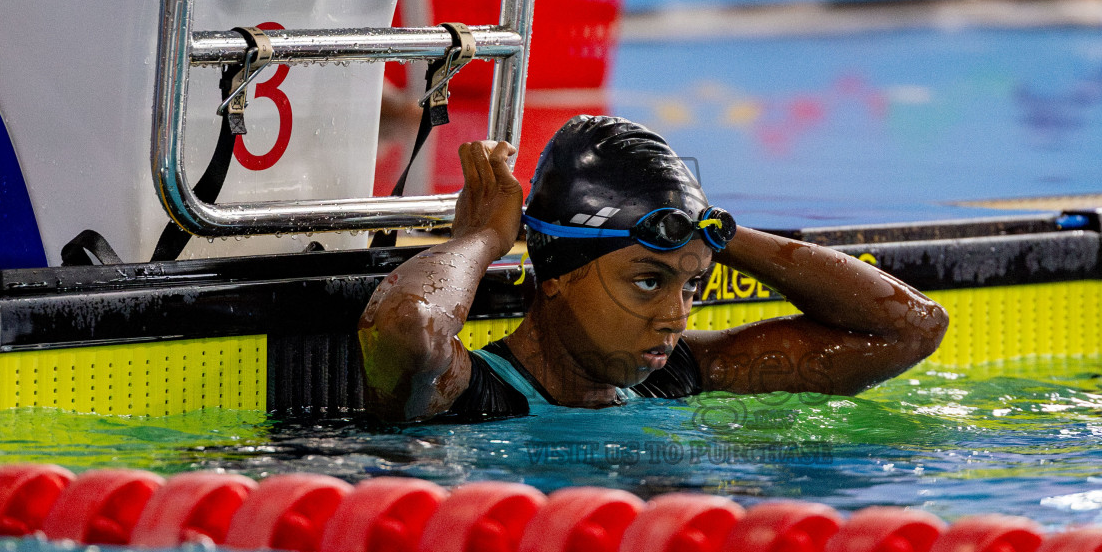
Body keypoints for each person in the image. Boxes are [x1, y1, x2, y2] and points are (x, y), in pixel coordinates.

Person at [358, 116, 948, 420]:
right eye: (648, 281)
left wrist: (726, 234)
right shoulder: (469, 394)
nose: (676, 317)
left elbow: (911, 328)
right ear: (558, 273)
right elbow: (405, 325)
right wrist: (486, 237)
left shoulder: (676, 376)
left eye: (693, 284)